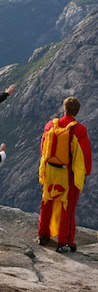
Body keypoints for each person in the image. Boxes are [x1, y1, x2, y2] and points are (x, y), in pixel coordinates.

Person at [37, 96, 92, 253]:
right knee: (67, 207)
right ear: (77, 111)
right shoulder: (79, 130)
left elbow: (43, 148)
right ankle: (64, 242)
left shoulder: (50, 126)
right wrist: (84, 173)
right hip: (67, 174)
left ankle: (43, 235)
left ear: (64, 108)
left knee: (47, 202)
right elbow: (84, 154)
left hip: (50, 171)